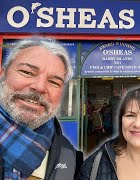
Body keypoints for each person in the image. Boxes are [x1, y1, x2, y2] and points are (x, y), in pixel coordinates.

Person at [0, 37, 83, 179]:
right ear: (2, 74)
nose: (39, 87)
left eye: (53, 82)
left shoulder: (70, 157)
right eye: (27, 72)